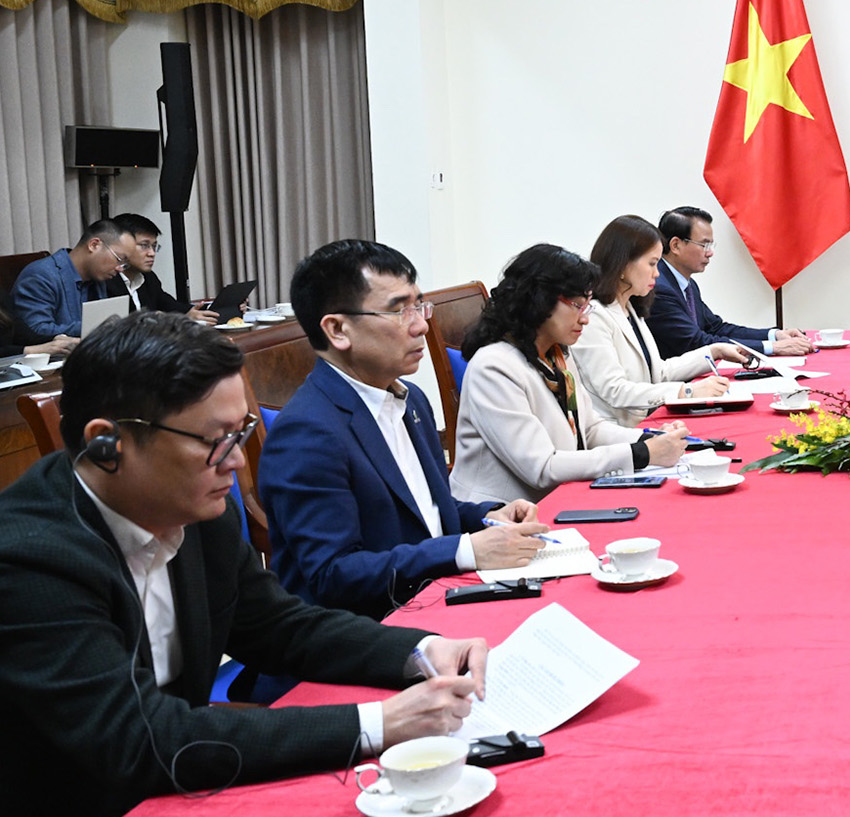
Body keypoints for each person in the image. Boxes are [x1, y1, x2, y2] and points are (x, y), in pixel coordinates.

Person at [0, 312, 488, 817]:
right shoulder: (29, 559)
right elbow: (134, 738)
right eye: (216, 440)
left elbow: (278, 626)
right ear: (107, 445)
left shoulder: (192, 508)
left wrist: (420, 650)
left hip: (180, 783)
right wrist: (379, 723)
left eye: (242, 432)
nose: (236, 462)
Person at [259, 240, 549, 619]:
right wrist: (465, 550)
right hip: (372, 631)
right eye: (399, 311)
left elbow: (424, 512)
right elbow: (333, 573)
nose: (421, 325)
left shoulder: (410, 400)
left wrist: (489, 516)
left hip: (435, 599)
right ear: (337, 329)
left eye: (419, 306)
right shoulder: (307, 433)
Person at [450, 244, 691, 504]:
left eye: (587, 307)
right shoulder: (494, 367)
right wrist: (641, 454)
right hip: (505, 514)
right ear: (539, 301)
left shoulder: (556, 353)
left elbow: (590, 429)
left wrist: (650, 439)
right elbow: (542, 467)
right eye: (577, 305)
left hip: (559, 497)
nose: (585, 319)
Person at [574, 215, 741, 428]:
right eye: (652, 264)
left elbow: (658, 372)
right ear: (623, 264)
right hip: (617, 432)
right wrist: (687, 391)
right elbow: (615, 390)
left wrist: (714, 351)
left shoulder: (631, 309)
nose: (657, 273)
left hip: (646, 423)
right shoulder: (594, 316)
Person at [649, 206, 815, 358]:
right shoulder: (659, 288)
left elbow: (716, 328)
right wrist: (773, 347)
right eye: (704, 245)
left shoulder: (686, 284)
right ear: (676, 245)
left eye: (711, 245)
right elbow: (697, 342)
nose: (710, 253)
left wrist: (775, 335)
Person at [11, 218, 135, 338]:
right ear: (94, 245)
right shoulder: (40, 275)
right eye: (119, 259)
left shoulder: (99, 276)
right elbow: (36, 331)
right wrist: (96, 327)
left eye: (125, 264)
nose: (120, 269)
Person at [110, 213, 216, 323]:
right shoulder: (107, 282)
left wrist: (209, 310)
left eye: (154, 246)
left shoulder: (149, 278)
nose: (152, 253)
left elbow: (174, 308)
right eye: (144, 245)